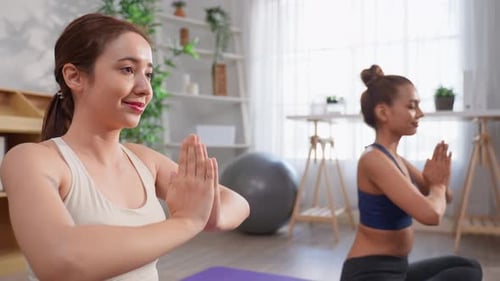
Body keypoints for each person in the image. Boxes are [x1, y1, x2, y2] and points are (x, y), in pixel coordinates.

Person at [0, 13, 249, 281]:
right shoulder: (32, 160)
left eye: (149, 74)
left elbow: (237, 202)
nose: (145, 88)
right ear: (74, 77)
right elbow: (60, 261)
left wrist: (210, 214)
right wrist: (187, 222)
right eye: (128, 70)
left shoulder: (144, 160)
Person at [339, 65, 482, 281]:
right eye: (412, 106)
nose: (421, 114)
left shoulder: (396, 159)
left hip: (398, 270)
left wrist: (438, 181)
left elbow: (444, 198)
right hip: (369, 274)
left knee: (468, 267)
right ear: (383, 112)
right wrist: (437, 186)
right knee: (464, 275)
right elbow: (431, 215)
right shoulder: (373, 160)